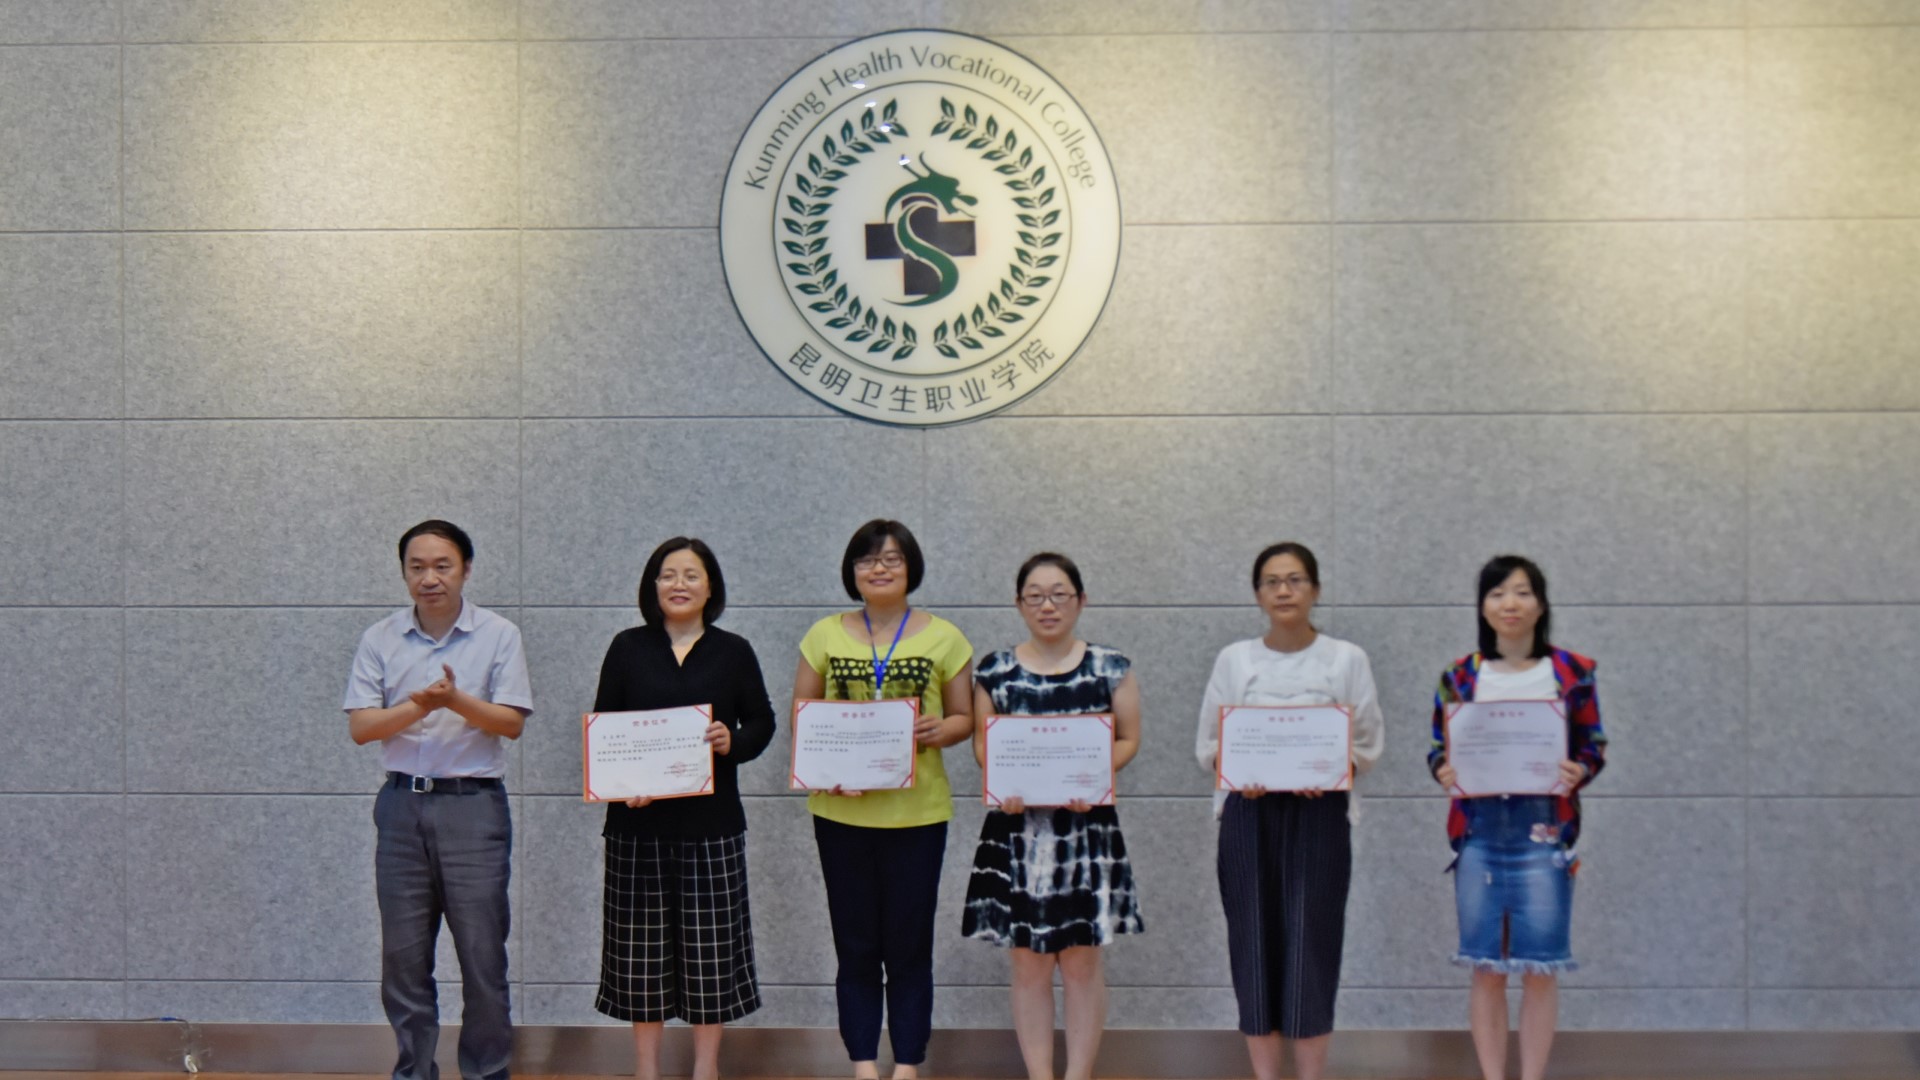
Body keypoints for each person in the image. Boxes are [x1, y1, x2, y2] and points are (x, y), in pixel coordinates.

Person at [344, 519, 532, 1080]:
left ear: (466, 570)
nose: (430, 577)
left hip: (473, 806)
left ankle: (486, 1072)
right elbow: (362, 728)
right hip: (401, 805)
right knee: (403, 959)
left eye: (442, 566)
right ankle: (413, 1071)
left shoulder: (499, 634)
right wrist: (421, 706)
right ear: (404, 573)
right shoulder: (380, 638)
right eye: (417, 567)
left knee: (482, 955)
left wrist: (454, 700)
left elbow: (510, 722)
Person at [1194, 542, 1384, 1080]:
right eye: (1272, 581)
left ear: (1316, 590)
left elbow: (1367, 743)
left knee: (1311, 947)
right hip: (1248, 816)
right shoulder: (1234, 660)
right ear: (1257, 594)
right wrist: (1241, 769)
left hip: (1320, 817)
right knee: (1252, 946)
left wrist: (1328, 768)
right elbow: (1209, 746)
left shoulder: (1347, 659)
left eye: (1296, 580)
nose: (1284, 591)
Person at [793, 519, 974, 1080]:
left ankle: (909, 1064)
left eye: (892, 559)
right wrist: (824, 770)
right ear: (852, 571)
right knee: (855, 944)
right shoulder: (823, 634)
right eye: (867, 560)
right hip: (840, 812)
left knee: (909, 945)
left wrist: (940, 730)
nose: (879, 569)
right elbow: (803, 718)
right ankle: (864, 1063)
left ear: (910, 567)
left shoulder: (945, 637)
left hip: (917, 815)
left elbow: (965, 717)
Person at [590, 538, 776, 1080]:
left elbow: (761, 721)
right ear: (653, 586)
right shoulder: (627, 647)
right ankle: (646, 1068)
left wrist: (732, 741)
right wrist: (622, 782)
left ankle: (706, 1068)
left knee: (710, 951)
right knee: (640, 952)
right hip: (636, 825)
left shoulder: (733, 650)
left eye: (691, 575)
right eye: (668, 575)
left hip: (711, 826)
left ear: (710, 586)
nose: (679, 584)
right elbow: (606, 727)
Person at [963, 552, 1143, 1080]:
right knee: (1028, 962)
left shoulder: (1111, 667)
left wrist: (1093, 776)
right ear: (1019, 604)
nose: (1048, 605)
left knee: (1082, 960)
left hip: (1085, 829)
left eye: (1060, 594)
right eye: (1035, 595)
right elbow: (984, 744)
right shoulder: (994, 670)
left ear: (1081, 600)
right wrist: (1004, 781)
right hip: (1016, 828)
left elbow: (1128, 738)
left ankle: (1078, 1075)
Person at [1428, 555, 1606, 1080]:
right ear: (1483, 606)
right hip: (1479, 830)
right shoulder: (1460, 676)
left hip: (1544, 830)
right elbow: (1438, 747)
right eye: (1498, 593)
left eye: (1523, 592)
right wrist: (1442, 770)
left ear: (1541, 604)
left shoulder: (1572, 672)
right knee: (1485, 967)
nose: (1511, 603)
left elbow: (1593, 745)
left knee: (1540, 968)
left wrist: (1580, 769)